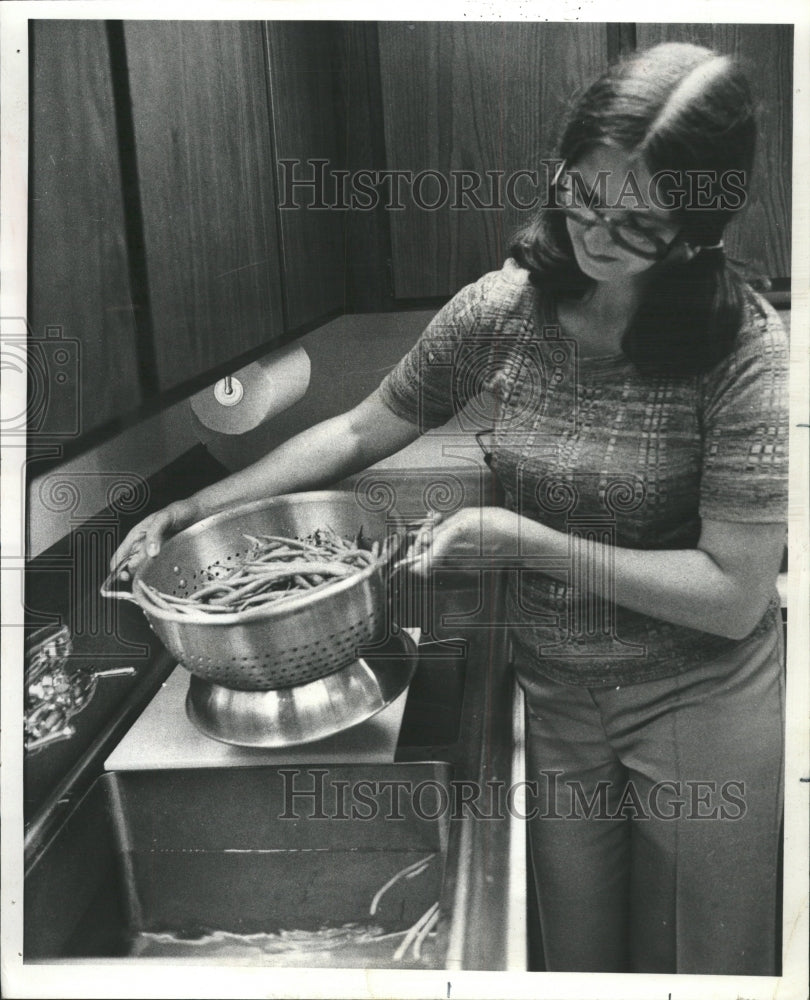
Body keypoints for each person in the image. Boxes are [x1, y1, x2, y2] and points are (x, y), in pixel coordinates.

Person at [111, 43, 788, 975]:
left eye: (637, 222)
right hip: (558, 696)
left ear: (698, 227)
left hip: (701, 701)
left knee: (707, 965)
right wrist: (199, 505)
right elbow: (358, 429)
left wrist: (524, 542)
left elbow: (733, 593)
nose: (595, 232)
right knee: (579, 962)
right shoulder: (504, 309)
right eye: (582, 193)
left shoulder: (743, 353)